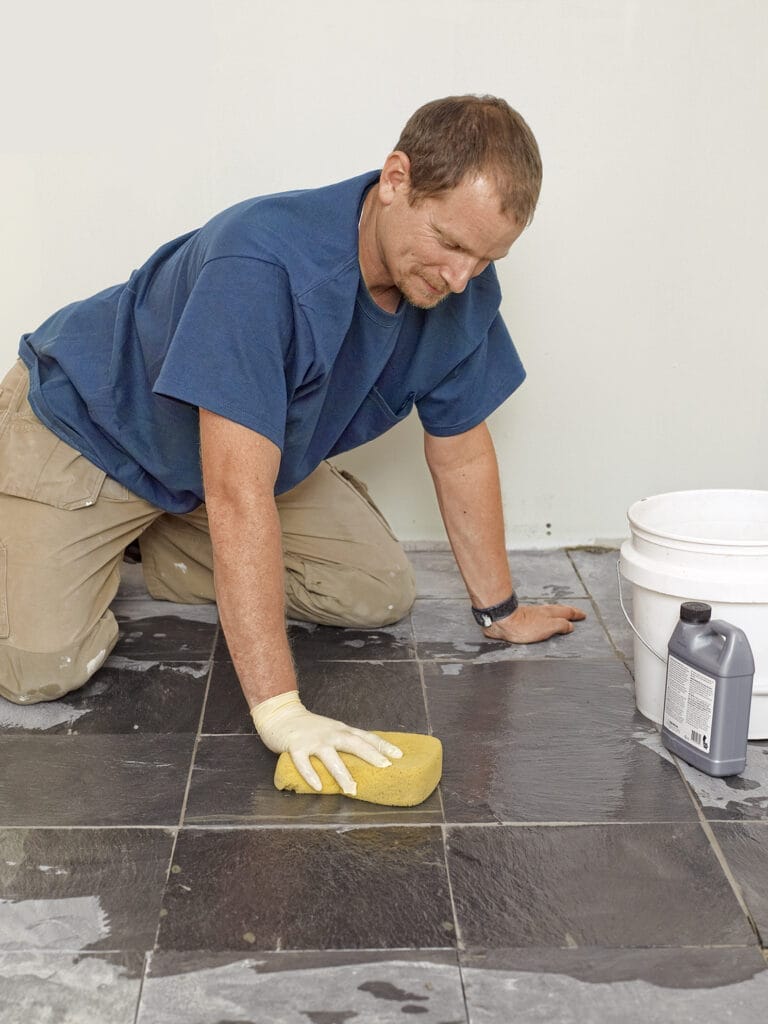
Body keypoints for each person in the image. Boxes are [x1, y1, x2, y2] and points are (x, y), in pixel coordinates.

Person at [0, 94, 585, 794]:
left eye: (487, 259)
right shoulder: (262, 262)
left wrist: (502, 612)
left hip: (220, 463)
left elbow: (459, 449)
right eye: (452, 244)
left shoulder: (458, 291)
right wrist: (281, 712)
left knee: (375, 591)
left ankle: (150, 538)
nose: (461, 278)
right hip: (90, 429)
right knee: (39, 668)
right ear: (395, 179)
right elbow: (238, 495)